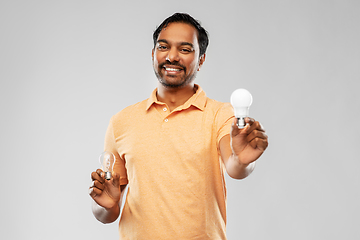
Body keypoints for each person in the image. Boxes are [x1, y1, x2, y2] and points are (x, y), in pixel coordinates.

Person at [89, 13, 268, 239]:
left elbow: (235, 168)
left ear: (201, 59)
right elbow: (107, 212)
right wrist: (105, 205)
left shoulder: (220, 115)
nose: (172, 56)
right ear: (153, 54)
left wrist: (242, 160)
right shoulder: (122, 121)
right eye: (163, 47)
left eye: (185, 49)